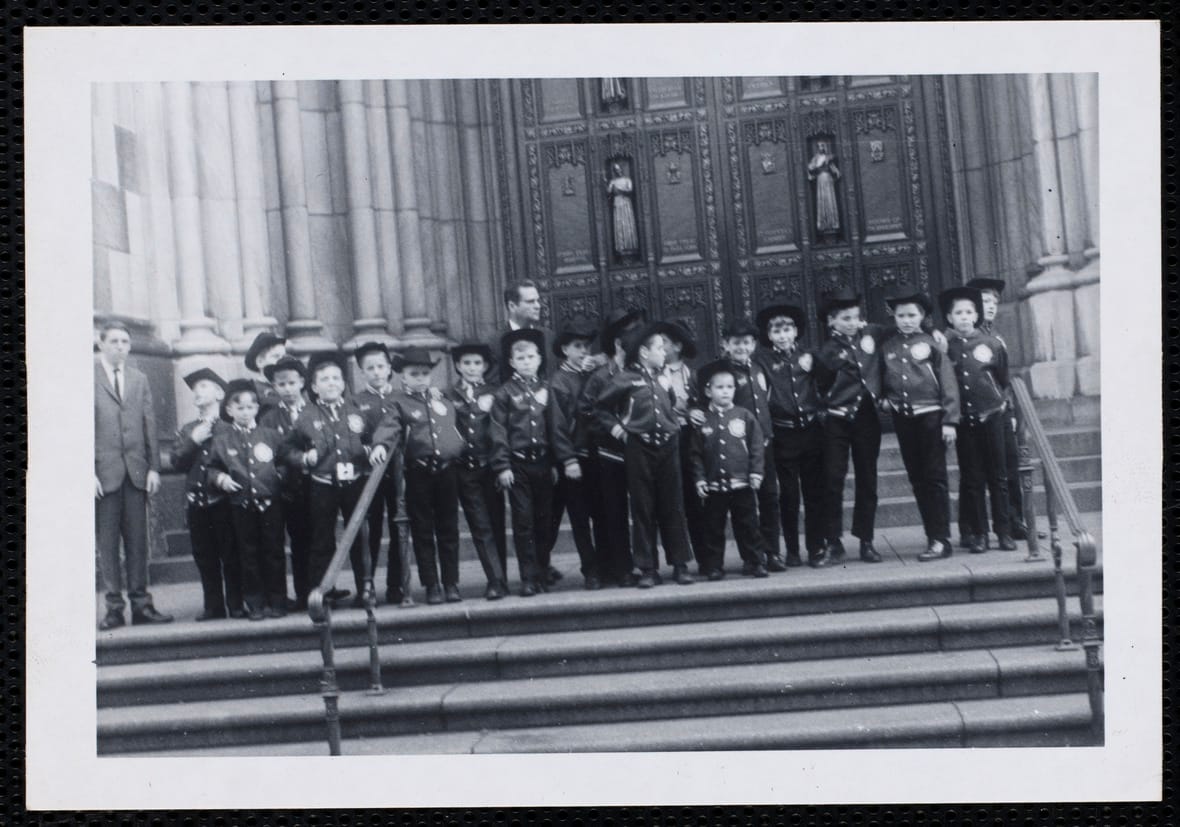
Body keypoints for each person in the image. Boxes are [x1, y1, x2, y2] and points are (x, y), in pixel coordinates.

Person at [283, 352, 398, 607]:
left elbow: (372, 438)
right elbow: (287, 450)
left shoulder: (357, 411)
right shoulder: (305, 416)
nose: (331, 383)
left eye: (336, 378)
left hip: (355, 483)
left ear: (344, 383)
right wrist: (304, 457)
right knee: (322, 538)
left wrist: (371, 449)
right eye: (324, 379)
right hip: (322, 485)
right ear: (313, 386)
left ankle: (365, 588)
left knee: (361, 537)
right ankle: (323, 590)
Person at [594, 320, 695, 589]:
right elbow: (601, 408)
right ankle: (648, 567)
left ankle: (680, 564)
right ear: (643, 352)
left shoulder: (664, 377)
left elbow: (671, 404)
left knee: (673, 504)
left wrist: (670, 426)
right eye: (659, 348)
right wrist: (620, 431)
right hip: (640, 448)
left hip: (668, 445)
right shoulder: (624, 379)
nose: (664, 352)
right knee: (643, 507)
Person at [94, 320, 173, 630]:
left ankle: (141, 604)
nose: (121, 347)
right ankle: (114, 607)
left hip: (137, 472)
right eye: (114, 341)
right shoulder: (87, 378)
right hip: (104, 475)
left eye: (125, 342)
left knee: (138, 542)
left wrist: (154, 467)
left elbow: (149, 424)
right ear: (101, 344)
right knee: (108, 543)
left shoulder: (139, 378)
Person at [490, 328, 579, 597]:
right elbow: (498, 431)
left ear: (540, 360)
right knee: (523, 521)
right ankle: (528, 577)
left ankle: (541, 570)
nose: (527, 362)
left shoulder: (546, 389)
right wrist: (502, 466)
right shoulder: (505, 393)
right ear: (512, 362)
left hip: (542, 463)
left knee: (544, 520)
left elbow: (555, 427)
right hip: (518, 466)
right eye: (521, 358)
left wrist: (560, 461)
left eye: (531, 357)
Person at [879, 292, 960, 562]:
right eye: (901, 315)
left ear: (923, 317)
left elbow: (948, 382)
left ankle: (941, 539)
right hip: (904, 418)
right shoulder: (888, 346)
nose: (906, 320)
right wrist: (884, 399)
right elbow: (882, 378)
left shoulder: (932, 344)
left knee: (935, 477)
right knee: (917, 478)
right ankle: (930, 535)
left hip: (931, 417)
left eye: (912, 315)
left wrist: (949, 421)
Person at [386, 347, 466, 604]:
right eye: (413, 374)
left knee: (449, 529)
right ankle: (431, 584)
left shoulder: (441, 401)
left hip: (446, 472)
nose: (420, 378)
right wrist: (379, 445)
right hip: (419, 472)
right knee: (422, 530)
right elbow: (388, 428)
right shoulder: (398, 402)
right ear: (403, 377)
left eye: (424, 373)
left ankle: (451, 583)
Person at [940, 286, 1017, 555]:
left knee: (999, 476)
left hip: (992, 416)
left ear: (976, 315)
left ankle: (1004, 531)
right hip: (965, 422)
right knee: (973, 479)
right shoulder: (945, 348)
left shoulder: (991, 344)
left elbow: (1003, 378)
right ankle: (980, 533)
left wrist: (1001, 404)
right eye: (958, 313)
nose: (964, 317)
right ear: (949, 318)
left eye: (969, 312)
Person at [813, 290, 886, 564]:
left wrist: (932, 331)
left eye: (856, 317)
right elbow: (820, 388)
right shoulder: (825, 353)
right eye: (845, 318)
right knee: (833, 480)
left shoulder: (871, 336)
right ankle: (833, 541)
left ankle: (866, 540)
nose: (853, 323)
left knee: (868, 478)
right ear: (831, 321)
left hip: (867, 417)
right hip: (837, 419)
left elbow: (897, 331)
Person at [755, 303, 828, 568]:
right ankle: (792, 549)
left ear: (796, 331)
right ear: (769, 335)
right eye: (776, 331)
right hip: (783, 434)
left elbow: (827, 379)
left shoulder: (809, 355)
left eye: (787, 329)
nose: (783, 335)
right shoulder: (761, 360)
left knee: (814, 493)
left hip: (810, 431)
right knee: (788, 495)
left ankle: (816, 547)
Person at [207, 381, 288, 620]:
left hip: (270, 503)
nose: (246, 412)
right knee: (247, 554)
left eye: (251, 407)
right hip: (240, 505)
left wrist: (278, 476)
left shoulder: (271, 436)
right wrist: (221, 479)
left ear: (257, 409)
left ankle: (278, 600)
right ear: (229, 410)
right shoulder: (222, 440)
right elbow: (212, 468)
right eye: (240, 408)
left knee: (274, 552)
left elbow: (283, 461)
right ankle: (255, 603)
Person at [578, 307, 646, 587]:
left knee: (641, 509)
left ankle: (643, 562)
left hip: (641, 452)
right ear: (618, 343)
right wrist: (612, 430)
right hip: (608, 453)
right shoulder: (599, 376)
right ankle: (616, 567)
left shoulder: (641, 373)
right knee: (611, 511)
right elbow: (587, 410)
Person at [714, 318, 786, 571]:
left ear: (754, 344)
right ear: (726, 344)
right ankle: (752, 556)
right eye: (736, 343)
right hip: (736, 449)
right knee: (743, 504)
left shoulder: (758, 368)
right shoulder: (722, 374)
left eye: (746, 342)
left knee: (769, 497)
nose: (741, 347)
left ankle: (772, 552)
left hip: (763, 444)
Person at [171, 368, 242, 621]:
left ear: (219, 393)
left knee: (230, 553)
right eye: (195, 388)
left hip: (223, 500)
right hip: (197, 502)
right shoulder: (188, 428)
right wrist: (194, 440)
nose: (197, 392)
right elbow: (176, 461)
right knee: (204, 556)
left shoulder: (229, 428)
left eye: (203, 386)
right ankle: (213, 605)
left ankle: (236, 602)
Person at [688, 360, 770, 580]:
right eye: (719, 387)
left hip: (741, 483)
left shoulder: (744, 416)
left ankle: (754, 561)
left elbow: (756, 446)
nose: (725, 392)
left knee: (748, 524)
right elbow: (695, 453)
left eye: (730, 387)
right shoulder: (703, 420)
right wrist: (700, 479)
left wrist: (756, 472)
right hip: (715, 485)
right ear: (708, 390)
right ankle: (714, 565)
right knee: (714, 528)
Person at [966, 277, 1029, 543]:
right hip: (976, 413)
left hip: (1001, 409)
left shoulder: (995, 336)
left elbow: (1003, 379)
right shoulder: (967, 335)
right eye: (984, 301)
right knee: (976, 472)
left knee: (1010, 464)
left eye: (994, 301)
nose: (990, 306)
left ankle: (1015, 521)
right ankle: (971, 528)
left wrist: (1011, 412)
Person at [447, 342, 509, 601]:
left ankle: (501, 576)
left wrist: (501, 465)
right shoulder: (448, 395)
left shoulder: (495, 393)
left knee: (496, 523)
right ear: (459, 367)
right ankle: (495, 580)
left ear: (485, 366)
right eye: (467, 363)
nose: (472, 368)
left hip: (490, 467)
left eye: (477, 363)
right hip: (465, 469)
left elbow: (500, 428)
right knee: (480, 524)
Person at [545, 321, 602, 589]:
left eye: (586, 346)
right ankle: (590, 569)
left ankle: (604, 564)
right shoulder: (558, 382)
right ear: (565, 349)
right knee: (577, 516)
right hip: (573, 459)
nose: (583, 351)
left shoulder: (591, 375)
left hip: (595, 454)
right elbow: (557, 424)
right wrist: (567, 459)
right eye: (577, 346)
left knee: (598, 513)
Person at [352, 341, 408, 605]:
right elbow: (353, 436)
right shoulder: (355, 401)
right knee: (369, 530)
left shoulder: (401, 396)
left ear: (389, 369)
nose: (376, 372)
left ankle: (397, 584)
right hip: (369, 473)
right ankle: (367, 585)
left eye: (381, 366)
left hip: (400, 473)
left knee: (400, 525)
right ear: (362, 372)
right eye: (370, 368)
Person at [259, 355, 313, 611]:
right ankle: (294, 595)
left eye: (292, 382)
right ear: (274, 387)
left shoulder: (314, 409)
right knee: (289, 541)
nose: (288, 389)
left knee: (317, 540)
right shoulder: (270, 418)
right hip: (285, 489)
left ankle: (318, 591)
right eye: (281, 384)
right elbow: (266, 451)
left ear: (302, 382)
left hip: (316, 486)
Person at [662, 319, 707, 567]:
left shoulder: (693, 374)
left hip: (690, 440)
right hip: (667, 440)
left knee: (695, 500)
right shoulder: (655, 374)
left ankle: (705, 557)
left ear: (677, 346)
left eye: (665, 343)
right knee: (672, 501)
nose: (660, 347)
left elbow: (702, 404)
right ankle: (679, 560)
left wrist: (694, 411)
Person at [243, 331, 287, 418]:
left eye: (284, 357)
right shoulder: (252, 390)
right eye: (276, 357)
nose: (282, 362)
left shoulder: (289, 387)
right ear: (260, 362)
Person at [807, 140, 841, 235]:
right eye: (819, 146)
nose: (821, 148)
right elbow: (810, 167)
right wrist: (810, 175)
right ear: (818, 148)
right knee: (822, 200)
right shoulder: (816, 158)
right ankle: (823, 224)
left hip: (828, 180)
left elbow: (834, 169)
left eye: (823, 146)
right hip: (820, 180)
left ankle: (832, 223)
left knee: (830, 200)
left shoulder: (828, 157)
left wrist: (836, 173)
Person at [607, 163, 639, 257]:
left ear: (622, 169)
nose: (618, 171)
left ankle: (631, 247)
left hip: (626, 203)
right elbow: (608, 192)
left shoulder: (627, 180)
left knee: (628, 223)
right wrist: (607, 184)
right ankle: (620, 248)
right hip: (617, 203)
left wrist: (619, 191)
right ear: (614, 171)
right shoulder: (613, 181)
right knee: (619, 224)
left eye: (619, 169)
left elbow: (630, 190)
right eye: (616, 170)